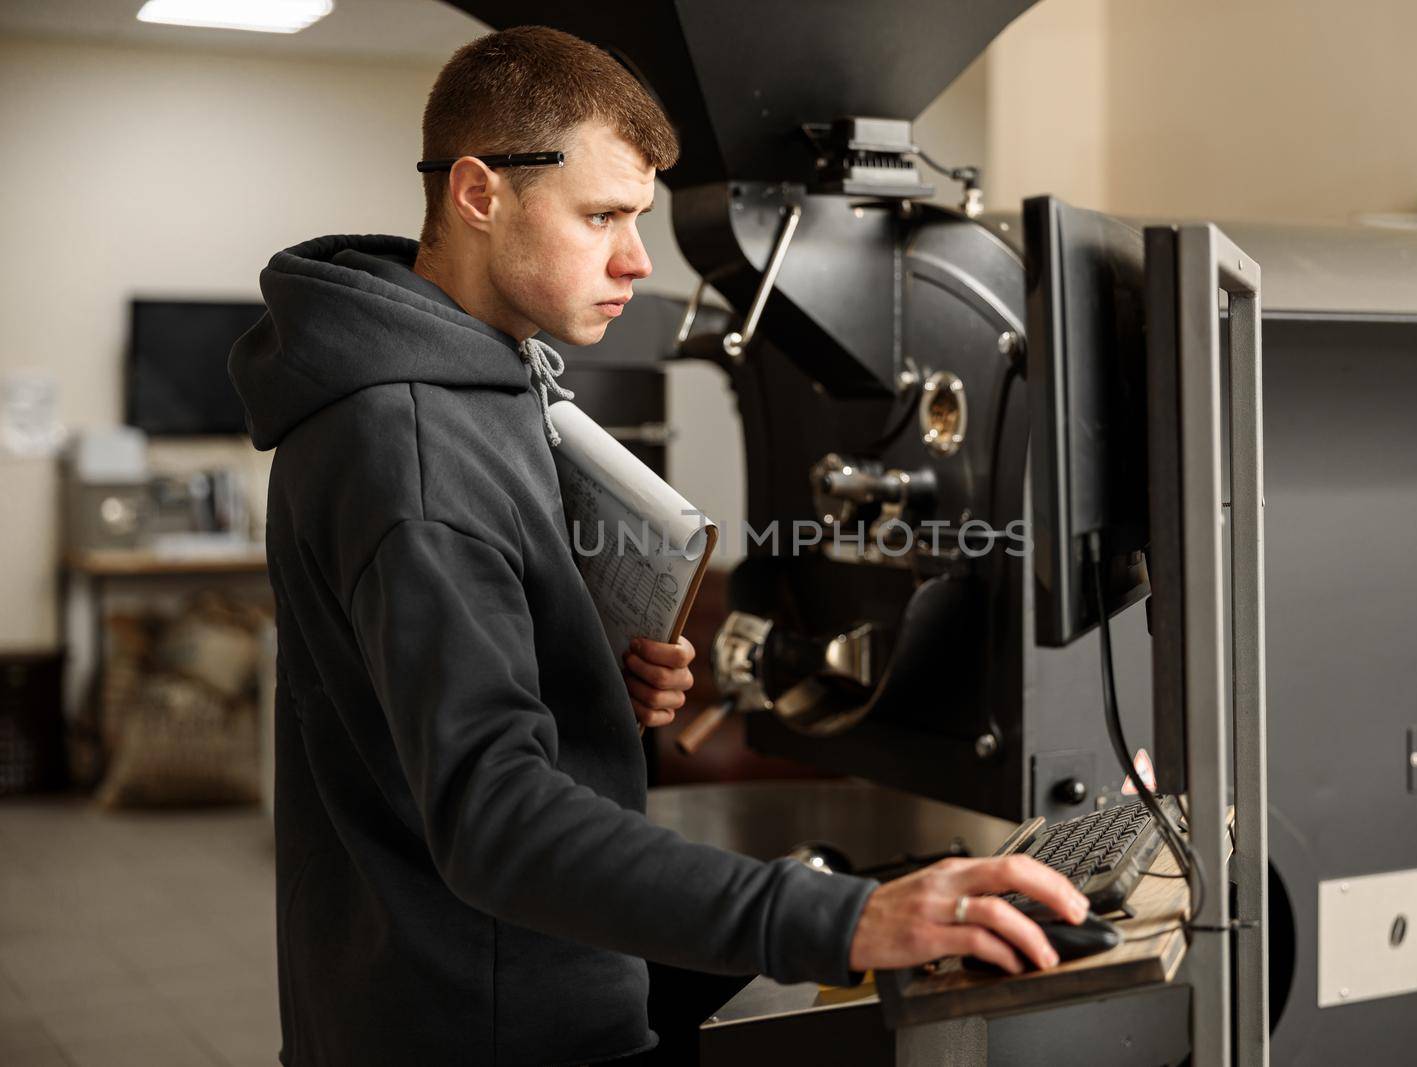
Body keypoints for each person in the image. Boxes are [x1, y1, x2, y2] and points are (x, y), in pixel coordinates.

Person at [230, 25, 1090, 1066]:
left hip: (449, 983)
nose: (637, 260)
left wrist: (581, 669)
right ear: (478, 192)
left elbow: (417, 704)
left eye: (637, 218)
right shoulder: (414, 445)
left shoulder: (472, 383)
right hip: (487, 1023)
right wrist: (838, 918)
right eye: (601, 217)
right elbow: (494, 813)